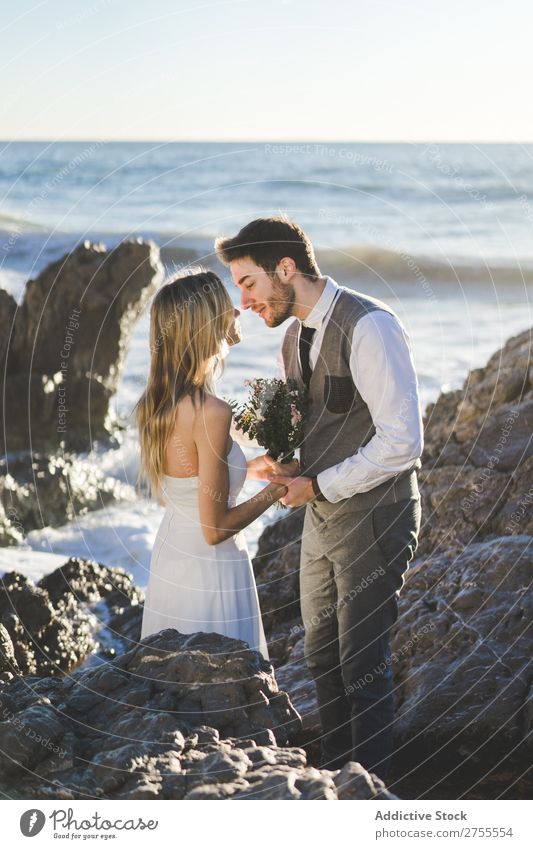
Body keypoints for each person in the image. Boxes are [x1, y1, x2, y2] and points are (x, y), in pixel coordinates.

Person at [215, 217, 423, 778]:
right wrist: (286, 466)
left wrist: (318, 485)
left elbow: (403, 442)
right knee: (322, 662)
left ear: (286, 269)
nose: (244, 300)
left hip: (377, 516)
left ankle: (373, 799)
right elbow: (325, 427)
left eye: (249, 282)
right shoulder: (292, 336)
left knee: (364, 665)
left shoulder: (371, 326)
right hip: (323, 518)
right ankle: (335, 786)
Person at [134, 268, 288, 661]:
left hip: (172, 560)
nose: (237, 312)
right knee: (226, 693)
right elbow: (216, 529)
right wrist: (279, 489)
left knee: (177, 693)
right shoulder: (211, 412)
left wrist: (253, 469)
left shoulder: (157, 404)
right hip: (211, 569)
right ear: (204, 324)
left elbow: (187, 484)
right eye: (226, 307)